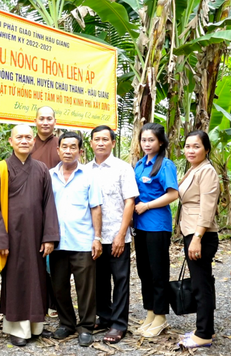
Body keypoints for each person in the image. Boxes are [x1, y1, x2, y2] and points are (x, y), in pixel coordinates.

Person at [0, 124, 60, 347]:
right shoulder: (1, 169)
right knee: (16, 280)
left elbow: (49, 204)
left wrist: (49, 237)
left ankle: (36, 326)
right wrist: (0, 239)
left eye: (28, 137)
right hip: (11, 237)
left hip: (36, 235)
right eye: (20, 137)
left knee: (37, 279)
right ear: (11, 141)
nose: (24, 141)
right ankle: (17, 328)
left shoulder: (41, 169)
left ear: (33, 141)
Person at [49, 131, 103, 347]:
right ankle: (66, 323)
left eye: (73, 147)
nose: (68, 151)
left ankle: (86, 326)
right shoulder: (49, 175)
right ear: (58, 149)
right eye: (64, 146)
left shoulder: (89, 176)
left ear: (81, 151)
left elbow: (96, 208)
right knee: (59, 287)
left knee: (85, 288)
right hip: (56, 243)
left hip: (82, 241)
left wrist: (97, 237)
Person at [88, 125, 139, 344]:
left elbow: (130, 201)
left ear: (113, 143)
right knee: (98, 279)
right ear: (90, 143)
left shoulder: (123, 168)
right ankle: (105, 316)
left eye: (105, 139)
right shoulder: (85, 169)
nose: (100, 143)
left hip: (117, 234)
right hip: (94, 237)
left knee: (120, 279)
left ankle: (119, 324)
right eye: (96, 139)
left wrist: (121, 233)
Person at [133, 123, 179, 338]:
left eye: (151, 140)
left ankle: (160, 317)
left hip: (157, 226)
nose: (147, 144)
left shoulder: (165, 165)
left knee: (158, 272)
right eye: (144, 140)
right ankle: (150, 313)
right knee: (144, 272)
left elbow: (172, 194)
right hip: (140, 226)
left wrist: (148, 206)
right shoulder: (140, 165)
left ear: (160, 142)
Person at [176, 131, 220, 349]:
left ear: (206, 149)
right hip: (191, 231)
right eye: (187, 146)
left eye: (196, 146)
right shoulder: (194, 169)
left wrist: (197, 238)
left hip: (200, 233)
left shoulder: (207, 171)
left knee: (200, 284)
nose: (190, 150)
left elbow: (207, 208)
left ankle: (203, 334)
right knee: (201, 282)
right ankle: (206, 329)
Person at [30, 105, 61, 318]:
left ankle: (56, 302)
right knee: (35, 256)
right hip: (32, 208)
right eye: (42, 118)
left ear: (55, 122)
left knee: (55, 256)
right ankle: (39, 300)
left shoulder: (62, 145)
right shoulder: (28, 143)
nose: (45, 122)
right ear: (35, 121)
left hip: (59, 206)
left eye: (49, 118)